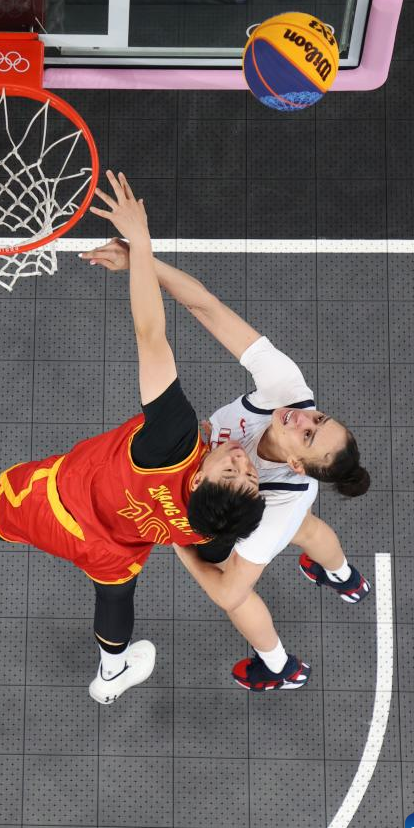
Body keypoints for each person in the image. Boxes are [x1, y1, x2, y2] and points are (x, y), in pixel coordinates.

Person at [0, 171, 264, 704]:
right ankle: (110, 675)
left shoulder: (174, 440)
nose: (241, 459)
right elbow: (208, 550)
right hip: (118, 549)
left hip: (59, 504)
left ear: (202, 480)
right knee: (115, 597)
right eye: (249, 473)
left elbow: (151, 334)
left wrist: (140, 242)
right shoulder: (216, 525)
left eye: (232, 470)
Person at [81, 237, 371, 692]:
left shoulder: (275, 511)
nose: (303, 418)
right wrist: (140, 261)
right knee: (310, 530)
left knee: (246, 588)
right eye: (319, 418)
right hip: (257, 492)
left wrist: (183, 544)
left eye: (308, 435)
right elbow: (206, 306)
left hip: (244, 509)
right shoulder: (288, 390)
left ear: (297, 464)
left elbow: (229, 591)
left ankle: (279, 667)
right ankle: (343, 577)